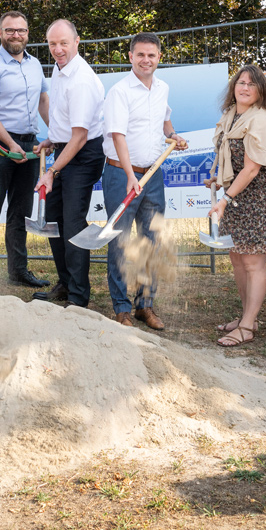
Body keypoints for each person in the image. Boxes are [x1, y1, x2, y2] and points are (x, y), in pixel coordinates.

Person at [102, 33, 188, 329]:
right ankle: (122, 308)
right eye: (140, 55)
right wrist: (129, 175)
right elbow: (117, 135)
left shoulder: (162, 88)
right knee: (120, 242)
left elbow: (164, 119)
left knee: (151, 240)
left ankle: (145, 306)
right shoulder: (120, 92)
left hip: (153, 175)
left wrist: (173, 135)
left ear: (159, 57)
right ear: (130, 57)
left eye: (151, 55)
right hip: (120, 174)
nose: (146, 60)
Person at [208, 64, 266, 347]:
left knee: (254, 263)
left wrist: (225, 199)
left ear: (260, 92)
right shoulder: (230, 116)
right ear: (234, 87)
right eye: (240, 82)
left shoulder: (261, 121)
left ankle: (247, 327)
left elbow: (252, 169)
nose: (244, 87)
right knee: (237, 259)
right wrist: (218, 179)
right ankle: (247, 316)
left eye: (251, 84)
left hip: (258, 200)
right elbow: (228, 157)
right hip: (235, 197)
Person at [0, 11, 51, 295]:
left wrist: (54, 133)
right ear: (0, 33)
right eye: (10, 31)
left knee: (20, 212)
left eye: (21, 31)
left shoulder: (35, 64)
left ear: (28, 33)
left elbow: (43, 100)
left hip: (29, 145)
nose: (16, 35)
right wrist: (10, 144)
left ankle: (17, 272)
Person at [32, 19, 106, 308]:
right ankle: (64, 283)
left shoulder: (82, 81)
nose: (58, 49)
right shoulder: (60, 68)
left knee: (73, 223)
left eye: (64, 43)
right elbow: (65, 122)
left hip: (84, 154)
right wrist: (52, 139)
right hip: (66, 148)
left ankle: (78, 297)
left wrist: (51, 170)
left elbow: (80, 137)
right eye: (52, 44)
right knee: (53, 218)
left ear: (77, 41)